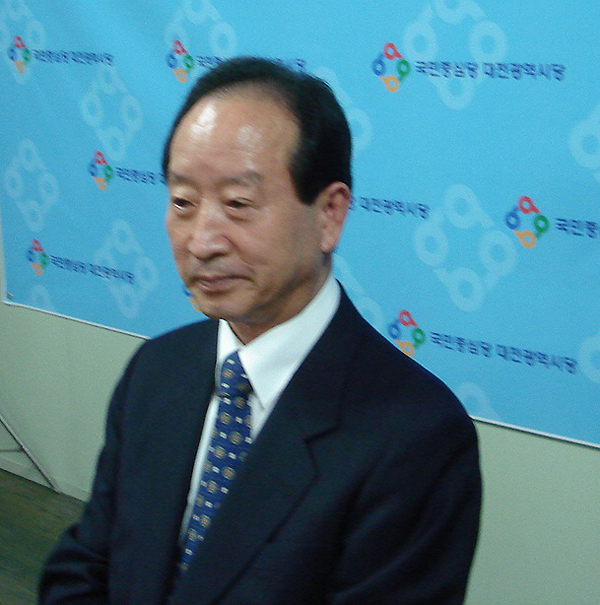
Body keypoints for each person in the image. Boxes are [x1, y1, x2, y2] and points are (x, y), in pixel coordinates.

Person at [39, 57, 481, 605]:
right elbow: (86, 564)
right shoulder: (155, 371)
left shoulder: (416, 437)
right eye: (183, 202)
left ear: (329, 215)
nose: (202, 242)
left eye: (238, 204)